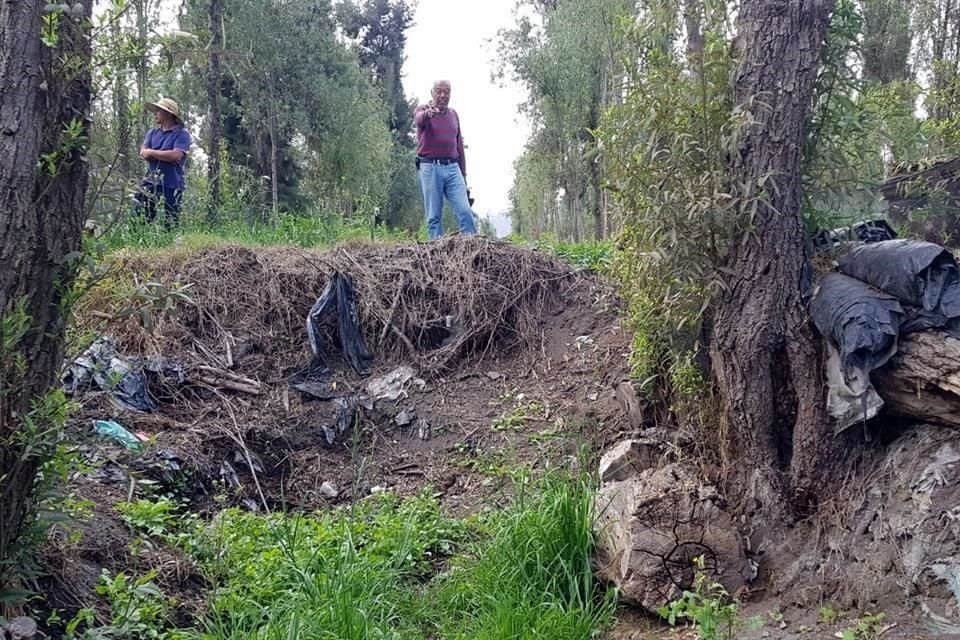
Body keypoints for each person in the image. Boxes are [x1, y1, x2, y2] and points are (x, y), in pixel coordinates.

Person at [414, 80, 477, 240]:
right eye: (439, 91)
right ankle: (436, 254)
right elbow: (419, 120)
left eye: (446, 92)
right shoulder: (423, 110)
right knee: (434, 216)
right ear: (432, 93)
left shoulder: (453, 115)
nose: (443, 95)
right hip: (430, 167)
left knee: (465, 211)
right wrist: (428, 115)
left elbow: (459, 147)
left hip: (453, 168)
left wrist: (464, 175)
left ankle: (471, 248)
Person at [135, 98, 191, 229]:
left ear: (168, 113)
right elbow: (143, 152)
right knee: (139, 220)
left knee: (170, 223)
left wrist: (152, 153)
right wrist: (162, 154)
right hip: (150, 182)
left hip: (172, 184)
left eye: (159, 110)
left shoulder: (182, 134)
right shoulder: (152, 133)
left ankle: (171, 249)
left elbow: (176, 155)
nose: (155, 113)